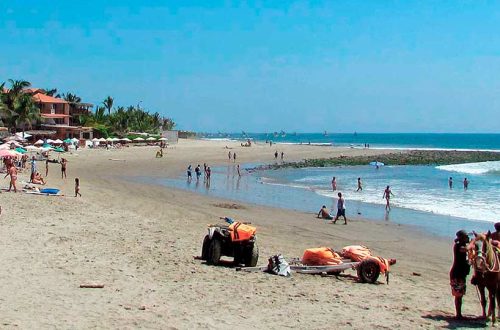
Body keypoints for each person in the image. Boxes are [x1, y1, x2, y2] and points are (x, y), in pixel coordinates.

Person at [450, 230, 470, 319]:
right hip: (457, 274)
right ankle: (458, 315)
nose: (468, 238)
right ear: (462, 238)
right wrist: (474, 241)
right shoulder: (459, 246)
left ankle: (459, 314)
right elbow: (468, 248)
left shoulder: (461, 245)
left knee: (460, 295)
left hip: (460, 274)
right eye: (466, 237)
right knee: (458, 295)